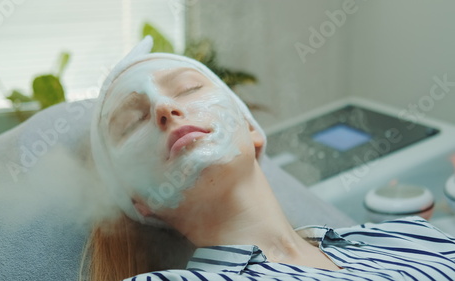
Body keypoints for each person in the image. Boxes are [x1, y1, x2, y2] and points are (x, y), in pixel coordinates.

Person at [85, 36, 455, 281]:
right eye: (132, 122)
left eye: (188, 88)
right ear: (140, 201)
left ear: (252, 130)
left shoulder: (406, 235)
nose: (164, 106)